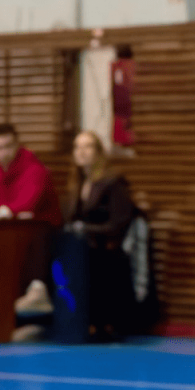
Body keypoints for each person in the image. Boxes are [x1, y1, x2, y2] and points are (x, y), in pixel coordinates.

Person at [0, 123, 62, 320]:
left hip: (41, 234)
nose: (3, 153)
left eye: (8, 146)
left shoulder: (35, 168)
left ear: (17, 145)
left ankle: (38, 291)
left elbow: (28, 202)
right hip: (3, 235)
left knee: (33, 233)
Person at [66, 130, 138, 340]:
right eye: (77, 147)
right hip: (84, 250)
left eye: (87, 146)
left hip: (107, 250)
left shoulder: (113, 182)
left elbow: (119, 223)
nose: (81, 152)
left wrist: (86, 229)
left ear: (98, 152)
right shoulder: (78, 183)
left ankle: (105, 324)